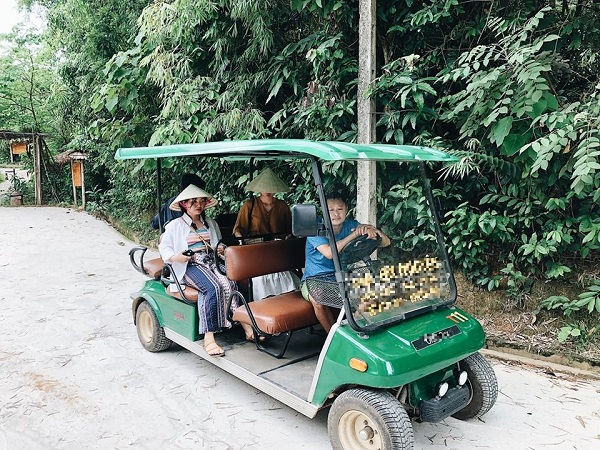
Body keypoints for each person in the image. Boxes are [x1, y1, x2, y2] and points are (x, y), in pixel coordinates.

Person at [158, 183, 254, 356]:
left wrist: (220, 249)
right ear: (184, 205)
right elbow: (165, 250)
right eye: (193, 201)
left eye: (201, 201)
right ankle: (208, 337)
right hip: (189, 265)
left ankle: (244, 322)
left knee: (231, 281)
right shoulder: (174, 226)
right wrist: (176, 257)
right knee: (212, 288)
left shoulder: (210, 223)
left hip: (211, 262)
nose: (198, 205)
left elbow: (217, 244)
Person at [301, 192, 391, 333]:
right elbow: (330, 253)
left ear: (346, 209)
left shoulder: (352, 224)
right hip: (314, 280)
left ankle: (356, 328)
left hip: (342, 277)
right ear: (324, 210)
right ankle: (333, 336)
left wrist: (371, 229)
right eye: (331, 210)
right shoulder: (315, 229)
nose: (336, 214)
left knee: (377, 290)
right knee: (317, 298)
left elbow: (386, 242)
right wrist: (354, 234)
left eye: (340, 209)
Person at [232, 168, 299, 300]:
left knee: (283, 274)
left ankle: (285, 300)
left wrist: (287, 238)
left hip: (276, 249)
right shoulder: (249, 205)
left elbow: (290, 230)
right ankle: (261, 302)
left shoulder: (282, 206)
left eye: (270, 188)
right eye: (264, 187)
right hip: (254, 249)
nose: (267, 191)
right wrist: (242, 242)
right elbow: (238, 229)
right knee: (259, 277)